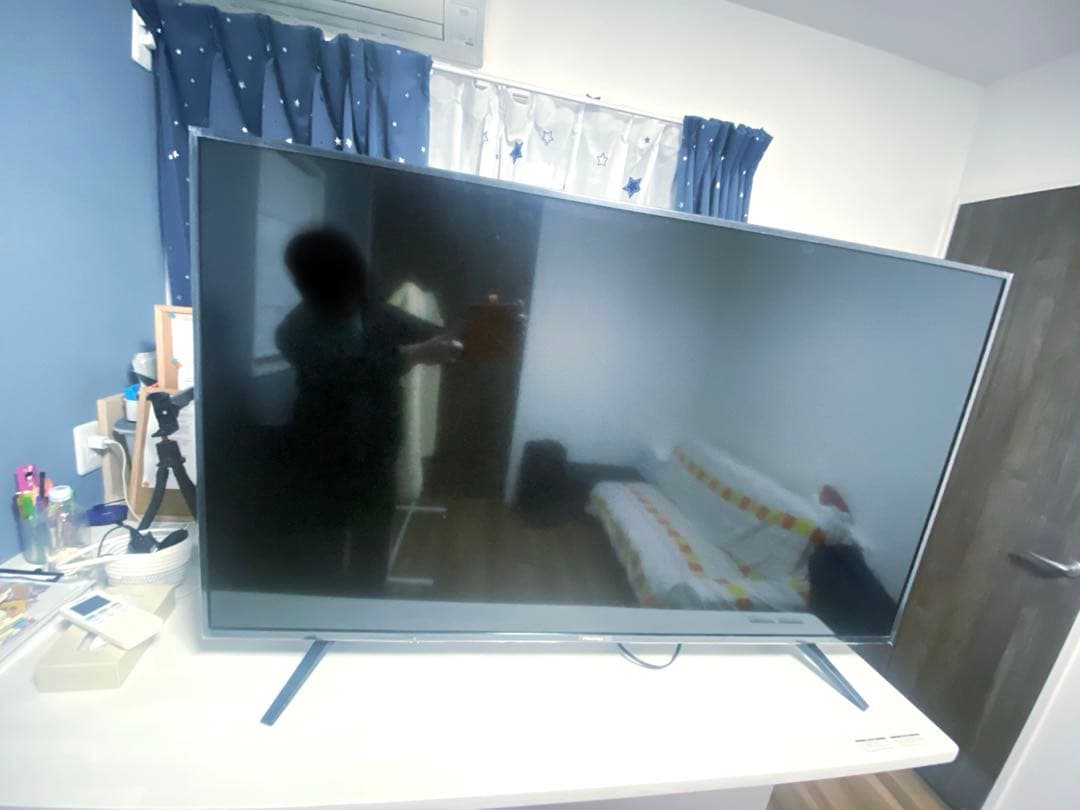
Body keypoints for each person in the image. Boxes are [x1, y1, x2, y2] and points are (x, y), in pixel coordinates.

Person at [274, 227, 461, 593]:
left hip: (376, 450)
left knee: (372, 545)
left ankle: (366, 604)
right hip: (321, 454)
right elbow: (347, 370)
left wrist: (480, 329)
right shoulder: (293, 331)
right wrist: (413, 354)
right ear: (310, 283)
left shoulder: (374, 312)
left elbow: (436, 334)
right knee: (322, 547)